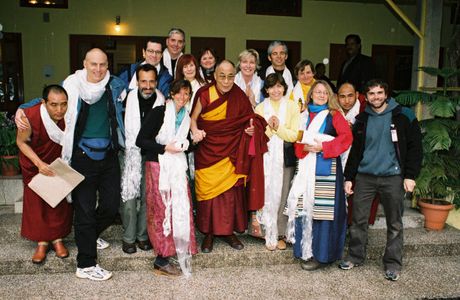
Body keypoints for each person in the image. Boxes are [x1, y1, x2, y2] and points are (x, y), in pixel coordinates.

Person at [339, 79, 422, 281]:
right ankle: (355, 256)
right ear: (365, 97)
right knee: (358, 220)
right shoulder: (362, 119)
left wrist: (410, 175)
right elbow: (356, 152)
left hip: (392, 177)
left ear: (386, 94)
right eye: (371, 94)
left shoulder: (404, 116)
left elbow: (415, 148)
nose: (376, 97)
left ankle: (392, 263)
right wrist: (349, 177)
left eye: (379, 93)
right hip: (365, 177)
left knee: (394, 222)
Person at [190, 60, 268, 253]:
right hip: (208, 149)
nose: (226, 81)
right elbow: (193, 118)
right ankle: (208, 233)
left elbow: (250, 120)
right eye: (222, 76)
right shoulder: (204, 93)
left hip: (231, 151)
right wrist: (195, 131)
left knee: (230, 194)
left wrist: (250, 130)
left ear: (235, 76)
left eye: (230, 76)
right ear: (215, 76)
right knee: (208, 194)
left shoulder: (239, 95)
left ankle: (228, 232)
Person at [285, 80, 352, 271]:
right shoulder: (304, 115)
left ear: (329, 95)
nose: (321, 95)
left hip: (326, 168)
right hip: (306, 167)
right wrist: (303, 147)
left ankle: (322, 255)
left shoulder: (334, 115)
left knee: (322, 213)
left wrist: (323, 146)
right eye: (318, 92)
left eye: (325, 92)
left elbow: (346, 138)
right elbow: (297, 139)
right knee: (305, 208)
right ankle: (304, 250)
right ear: (311, 94)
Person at [136, 79, 198, 277]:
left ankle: (172, 251)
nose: (183, 97)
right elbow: (141, 141)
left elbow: (185, 145)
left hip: (178, 167)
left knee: (179, 208)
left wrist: (195, 140)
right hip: (158, 166)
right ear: (171, 94)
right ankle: (161, 259)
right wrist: (164, 148)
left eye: (186, 94)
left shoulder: (186, 117)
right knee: (162, 210)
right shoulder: (159, 112)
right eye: (179, 93)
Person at [16, 85, 73, 264]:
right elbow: (21, 142)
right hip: (35, 164)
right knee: (37, 204)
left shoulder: (70, 116)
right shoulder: (30, 116)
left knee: (58, 202)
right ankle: (41, 242)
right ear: (43, 103)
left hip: (58, 163)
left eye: (63, 104)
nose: (59, 110)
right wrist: (39, 164)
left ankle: (57, 239)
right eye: (54, 105)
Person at [120, 64, 165, 254]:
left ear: (156, 81)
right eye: (143, 81)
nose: (147, 86)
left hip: (151, 155)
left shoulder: (162, 102)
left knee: (148, 198)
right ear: (137, 81)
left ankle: (142, 236)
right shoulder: (124, 99)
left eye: (151, 81)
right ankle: (128, 238)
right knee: (129, 198)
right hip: (129, 153)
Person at [254, 73, 300, 251]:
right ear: (266, 89)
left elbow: (293, 135)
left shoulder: (292, 106)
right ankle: (265, 230)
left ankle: (280, 233)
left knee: (283, 193)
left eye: (280, 86)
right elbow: (259, 137)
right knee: (265, 191)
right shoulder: (259, 108)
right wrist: (271, 128)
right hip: (265, 156)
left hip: (285, 155)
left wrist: (277, 127)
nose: (276, 90)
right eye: (272, 87)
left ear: (284, 88)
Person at [337, 82, 379, 226]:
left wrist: (353, 129)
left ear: (357, 95)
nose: (346, 100)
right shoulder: (333, 111)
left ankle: (357, 230)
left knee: (359, 201)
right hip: (340, 159)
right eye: (342, 97)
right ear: (337, 98)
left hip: (361, 161)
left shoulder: (366, 111)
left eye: (350, 96)